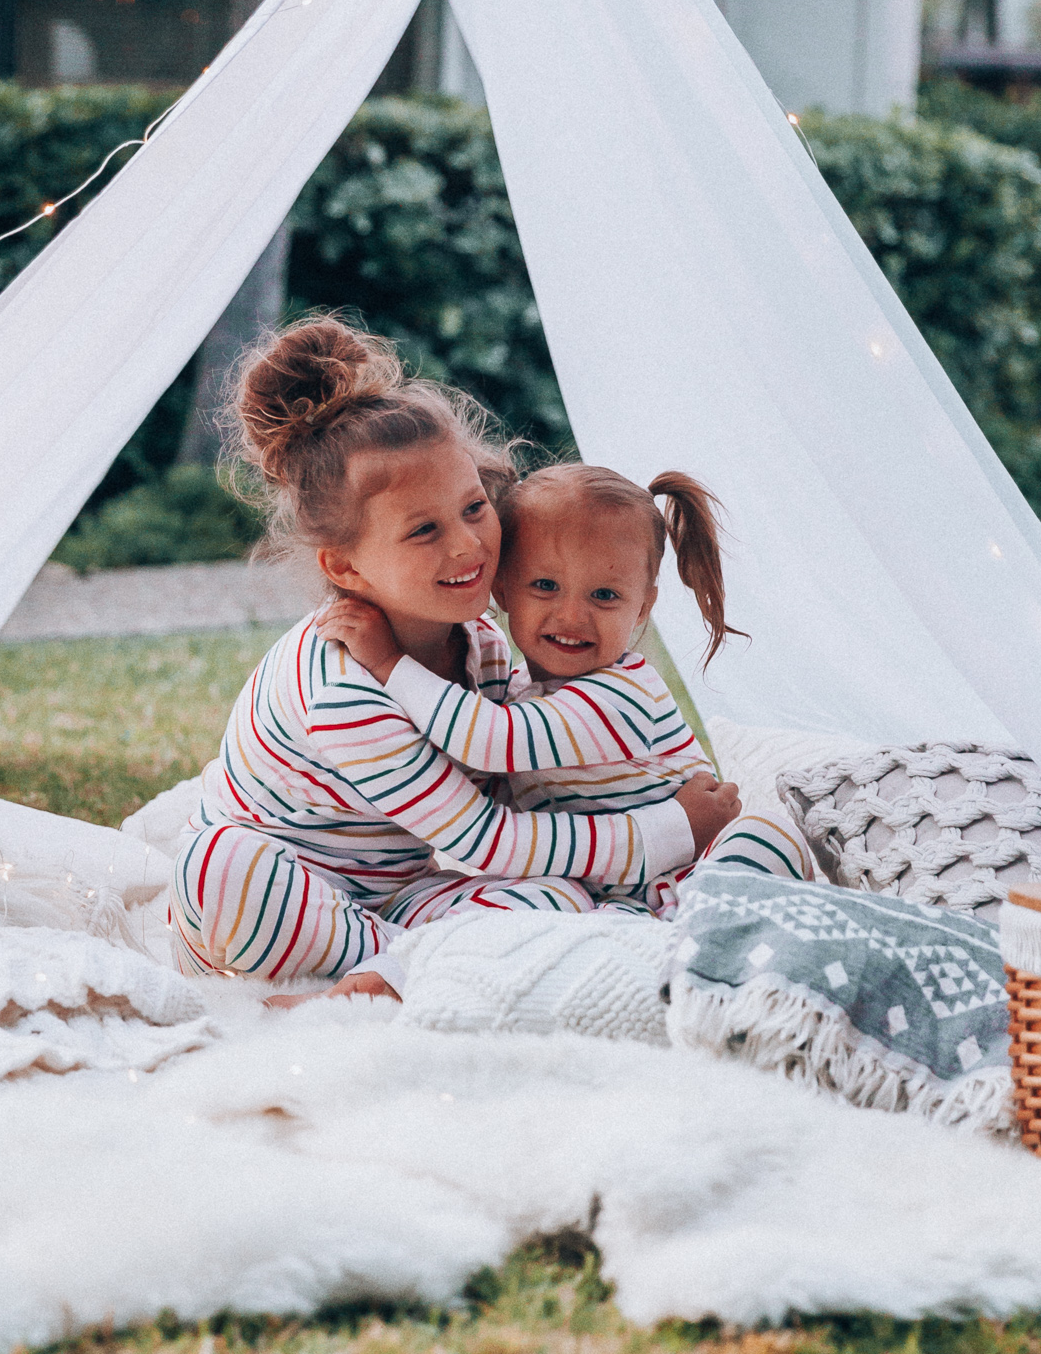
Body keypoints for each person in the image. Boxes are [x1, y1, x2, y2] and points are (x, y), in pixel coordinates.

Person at [169, 317, 741, 995]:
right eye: (424, 531)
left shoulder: (486, 650)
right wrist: (667, 831)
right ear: (345, 567)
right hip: (284, 894)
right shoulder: (339, 681)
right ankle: (412, 963)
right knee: (218, 865)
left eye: (473, 508)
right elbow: (480, 841)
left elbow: (516, 807)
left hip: (398, 898)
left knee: (558, 898)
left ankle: (399, 964)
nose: (468, 546)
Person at [320, 463, 813, 924]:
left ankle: (721, 937)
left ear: (643, 606)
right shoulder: (514, 692)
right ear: (503, 589)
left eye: (605, 596)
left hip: (697, 870)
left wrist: (388, 664)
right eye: (545, 585)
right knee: (520, 903)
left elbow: (489, 740)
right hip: (606, 903)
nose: (573, 617)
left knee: (768, 835)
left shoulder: (624, 693)